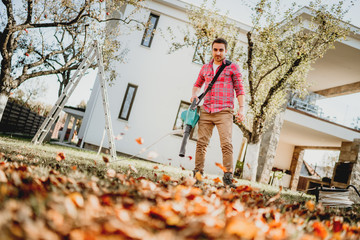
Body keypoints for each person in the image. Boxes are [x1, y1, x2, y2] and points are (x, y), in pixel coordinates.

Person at [191, 38, 245, 187]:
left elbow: (240, 89)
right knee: (201, 143)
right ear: (212, 50)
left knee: (226, 144)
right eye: (215, 49)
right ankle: (197, 175)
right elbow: (197, 85)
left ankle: (228, 178)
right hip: (206, 110)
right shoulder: (205, 68)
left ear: (225, 51)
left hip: (224, 111)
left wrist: (241, 108)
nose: (218, 53)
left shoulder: (232, 67)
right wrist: (195, 94)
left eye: (221, 50)